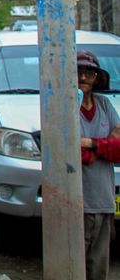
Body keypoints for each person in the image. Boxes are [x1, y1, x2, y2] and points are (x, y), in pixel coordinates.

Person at [77, 50, 120, 280]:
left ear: (96, 78)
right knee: (75, 267)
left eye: (89, 72)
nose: (83, 77)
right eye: (79, 71)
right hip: (77, 204)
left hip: (103, 201)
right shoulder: (65, 107)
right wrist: (104, 146)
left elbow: (119, 147)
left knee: (99, 269)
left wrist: (90, 143)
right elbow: (67, 149)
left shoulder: (104, 105)